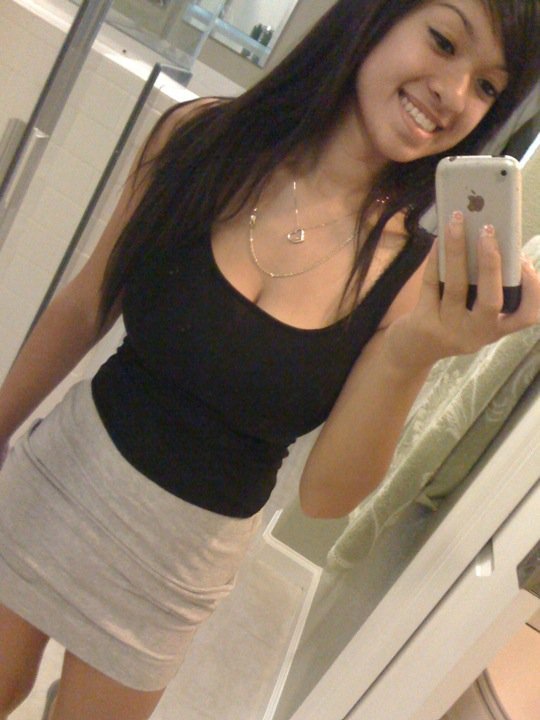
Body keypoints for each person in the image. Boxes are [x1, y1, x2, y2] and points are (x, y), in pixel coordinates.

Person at [1, 0, 539, 718]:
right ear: (376, 17)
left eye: (488, 87)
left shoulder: (410, 275)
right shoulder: (200, 139)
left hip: (174, 569)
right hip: (59, 476)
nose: (454, 92)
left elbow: (325, 497)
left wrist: (416, 352)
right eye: (443, 42)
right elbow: (86, 302)